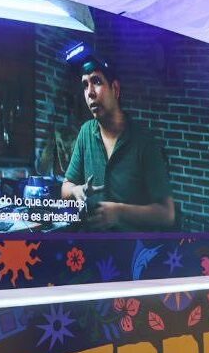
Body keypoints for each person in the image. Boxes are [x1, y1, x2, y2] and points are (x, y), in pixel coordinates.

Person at [61, 58, 177, 230]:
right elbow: (65, 188)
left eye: (96, 82)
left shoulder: (144, 142)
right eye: (85, 85)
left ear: (115, 89)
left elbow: (167, 214)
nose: (90, 92)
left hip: (130, 244)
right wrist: (75, 190)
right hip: (91, 241)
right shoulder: (86, 132)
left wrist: (120, 212)